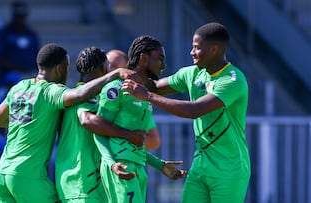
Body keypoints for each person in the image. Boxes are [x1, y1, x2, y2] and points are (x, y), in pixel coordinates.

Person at [0, 43, 142, 203]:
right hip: (29, 175)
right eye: (66, 68)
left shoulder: (20, 87)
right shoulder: (51, 91)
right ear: (59, 68)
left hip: (2, 174)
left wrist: (29, 121)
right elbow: (79, 94)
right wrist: (115, 74)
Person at [122, 22, 250, 203]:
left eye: (197, 48)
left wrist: (147, 96)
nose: (191, 52)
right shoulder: (192, 73)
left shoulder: (232, 80)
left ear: (214, 50)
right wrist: (124, 74)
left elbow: (194, 110)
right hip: (200, 166)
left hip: (229, 168)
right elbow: (156, 86)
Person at [94, 35, 187, 203]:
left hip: (137, 166)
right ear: (143, 58)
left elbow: (133, 143)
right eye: (160, 59)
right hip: (121, 166)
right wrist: (111, 163)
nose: (163, 65)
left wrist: (159, 165)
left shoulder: (143, 95)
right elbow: (98, 130)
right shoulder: (116, 89)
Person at [107, 49, 160, 150]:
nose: (109, 70)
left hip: (122, 162)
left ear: (125, 71)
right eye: (107, 65)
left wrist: (126, 143)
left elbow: (154, 140)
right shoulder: (93, 93)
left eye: (114, 67)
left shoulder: (133, 100)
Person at [0, 0, 39, 91]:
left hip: (31, 73)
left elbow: (37, 55)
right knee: (14, 80)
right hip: (10, 74)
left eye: (22, 16)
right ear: (13, 15)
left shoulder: (31, 35)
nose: (20, 19)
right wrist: (17, 68)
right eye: (18, 16)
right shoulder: (4, 34)